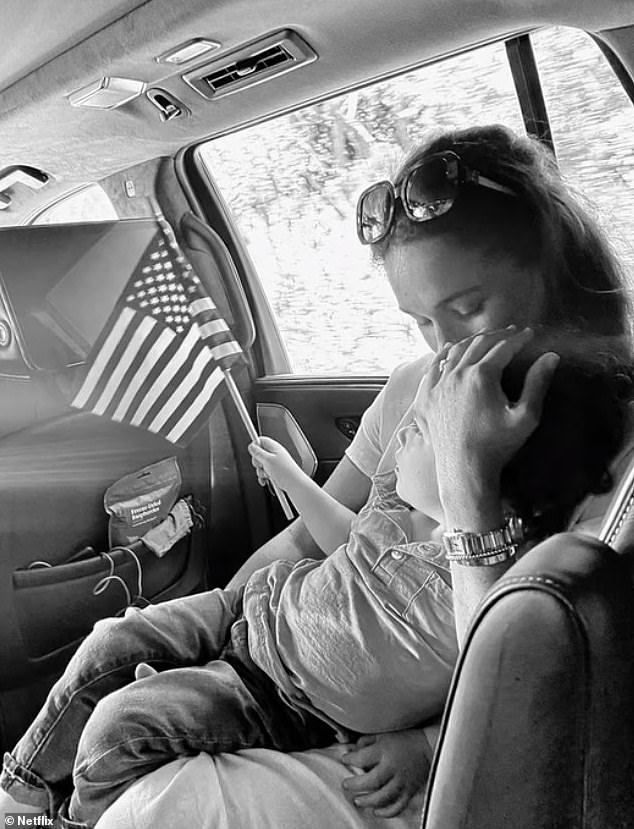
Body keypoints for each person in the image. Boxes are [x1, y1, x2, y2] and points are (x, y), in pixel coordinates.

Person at [3, 123, 634, 829]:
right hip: (275, 612)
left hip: (313, 693)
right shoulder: (413, 387)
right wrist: (227, 610)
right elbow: (321, 535)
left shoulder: (599, 462)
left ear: (549, 271)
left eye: (467, 308)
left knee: (119, 725)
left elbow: (509, 666)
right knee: (114, 640)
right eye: (420, 321)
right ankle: (21, 792)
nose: (444, 348)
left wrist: (427, 744)